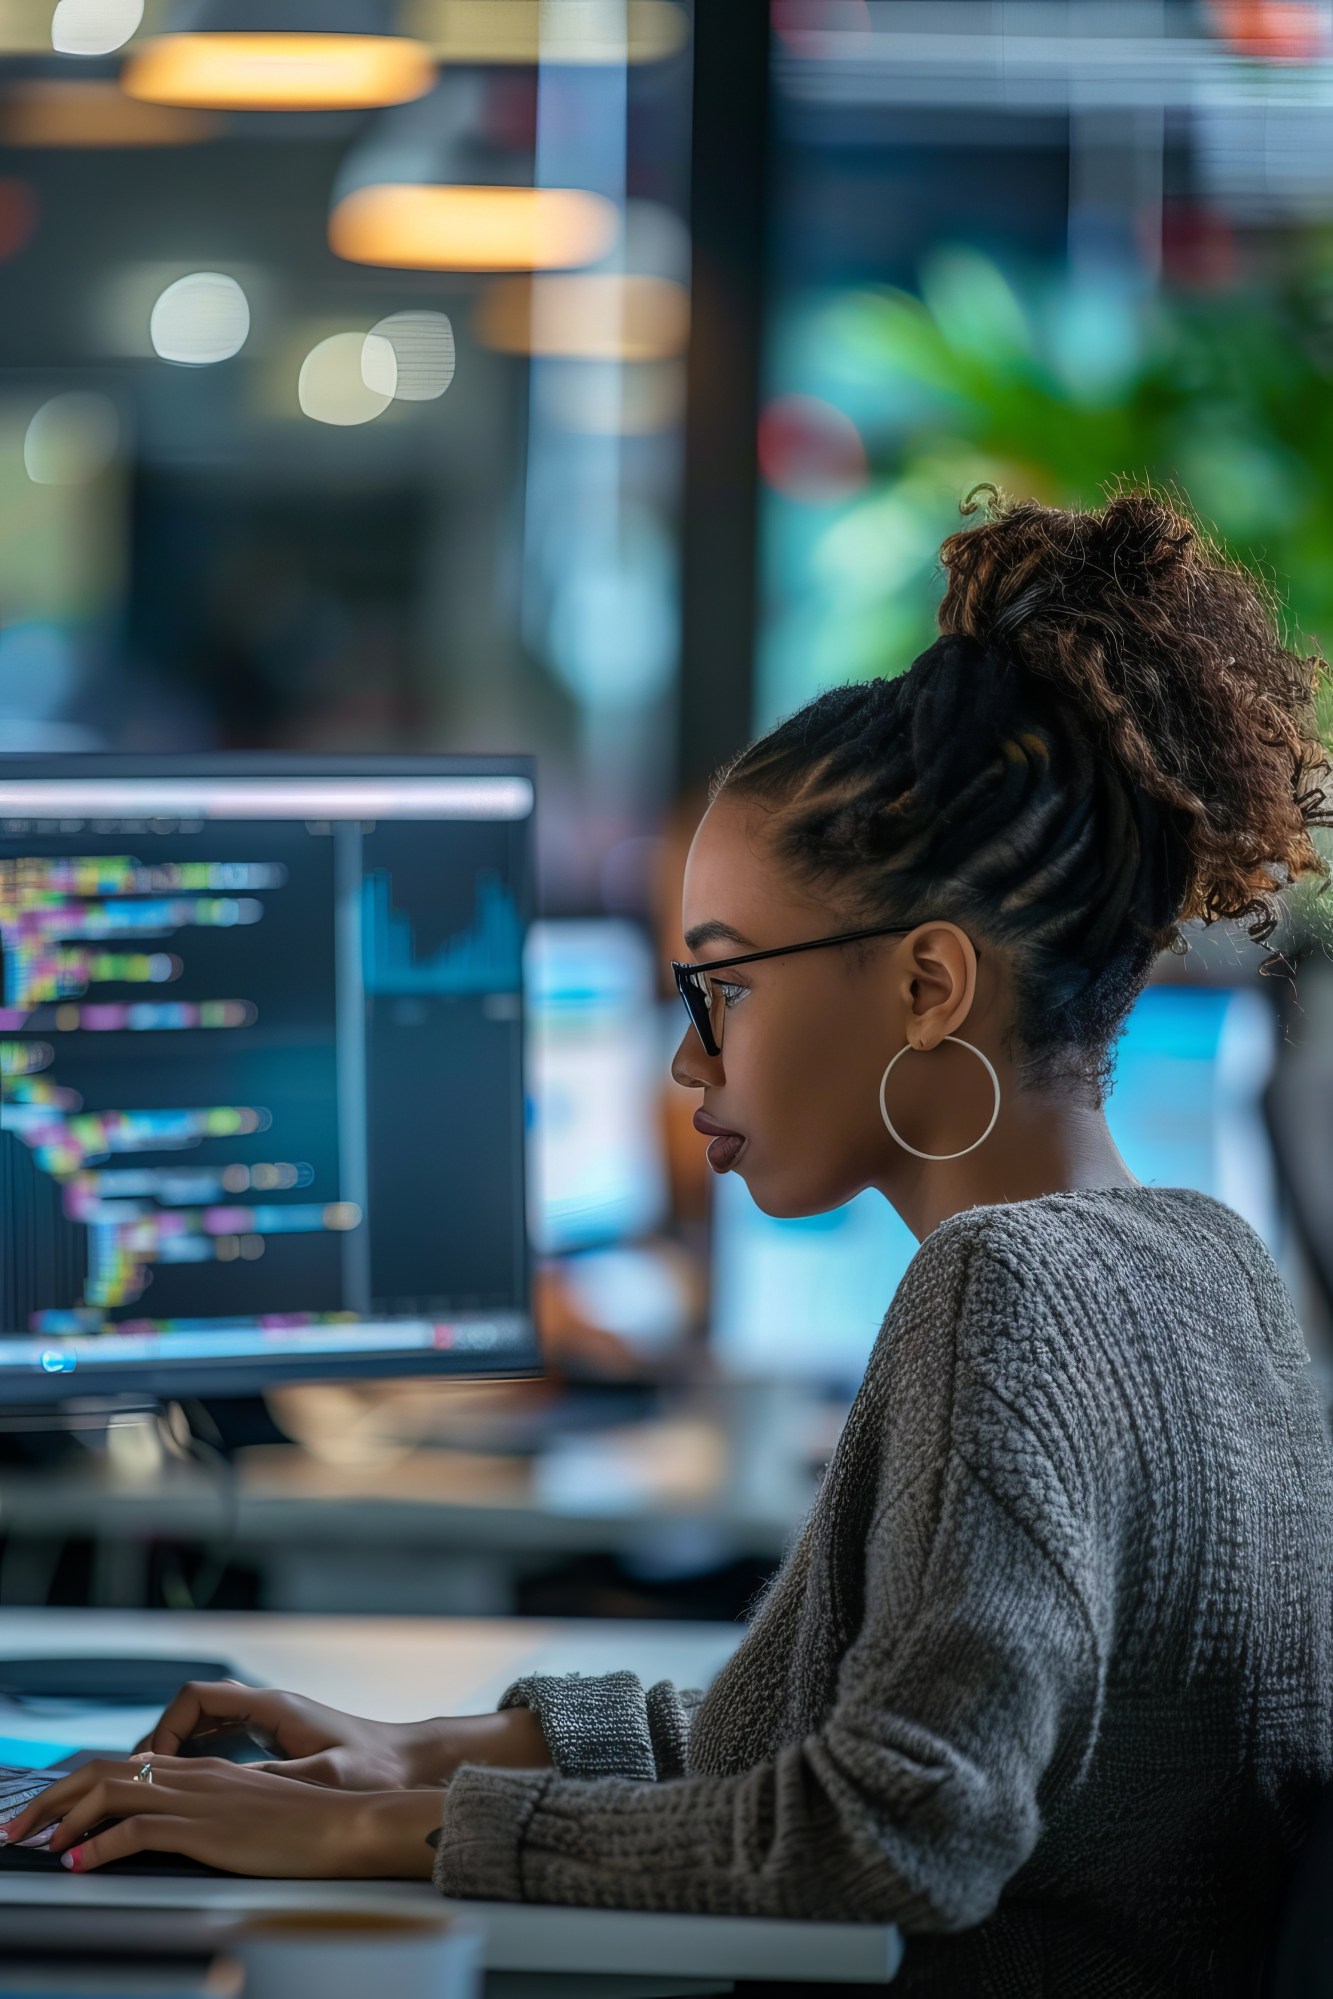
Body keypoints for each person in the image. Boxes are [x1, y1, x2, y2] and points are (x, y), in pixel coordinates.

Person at [8, 490, 1333, 1997]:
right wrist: (422, 1750)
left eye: (723, 990)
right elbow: (820, 1733)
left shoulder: (1004, 1290)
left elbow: (896, 1834)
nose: (684, 1064)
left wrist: (374, 1835)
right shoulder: (1200, 1262)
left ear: (925, 988)